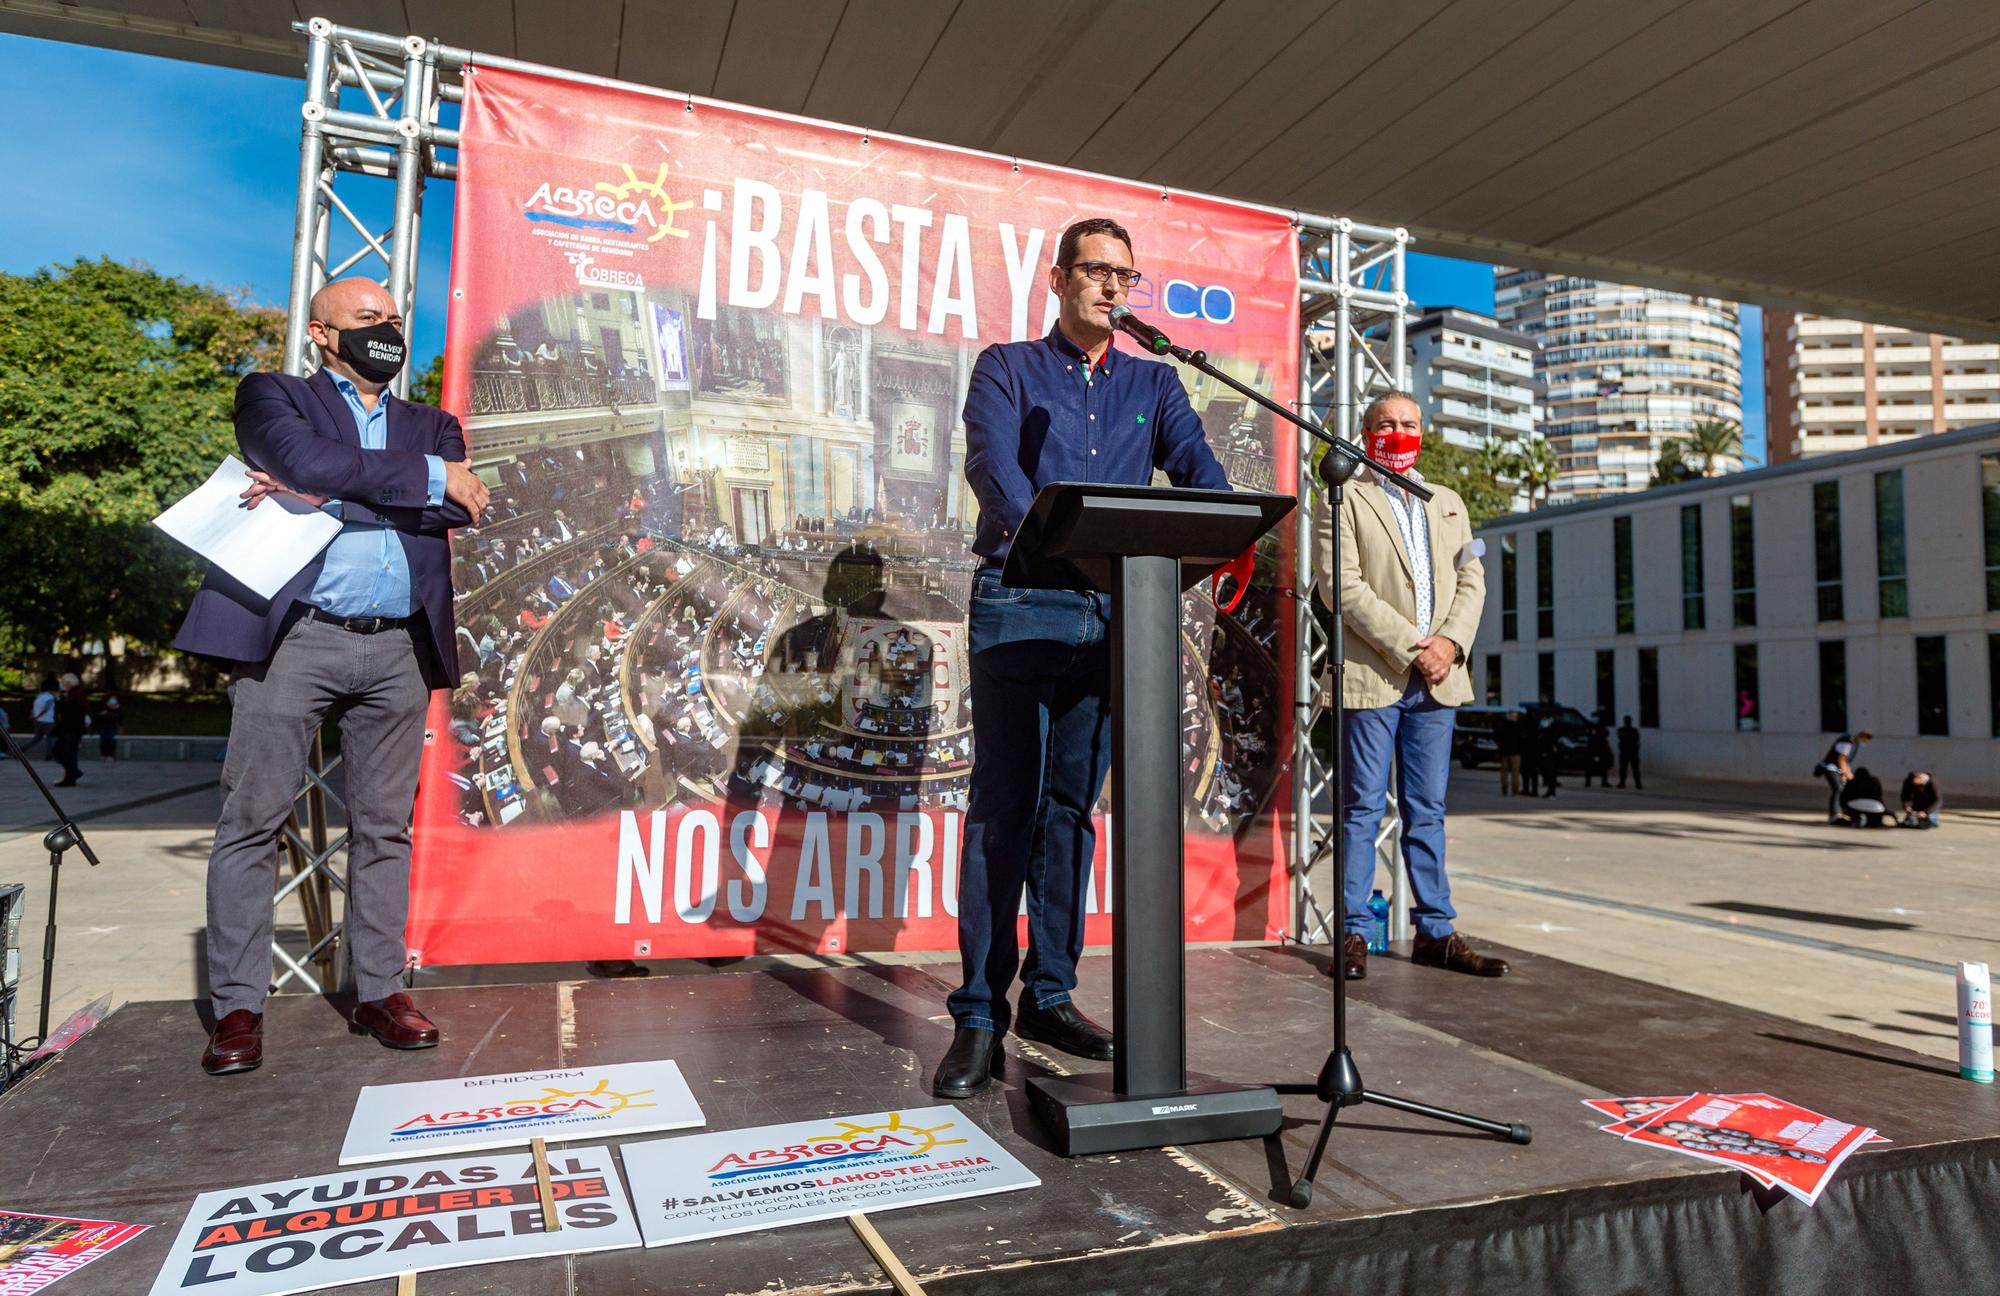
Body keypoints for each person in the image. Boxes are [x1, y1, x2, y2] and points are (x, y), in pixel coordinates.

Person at [933, 217, 1233, 1100]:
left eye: (1126, 276)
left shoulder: (1156, 383)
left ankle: (1050, 996)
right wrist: (1053, 539)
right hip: (1022, 606)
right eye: (1097, 271)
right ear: (1060, 277)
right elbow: (993, 469)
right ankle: (980, 1015)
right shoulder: (1007, 368)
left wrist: (1226, 529)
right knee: (1005, 810)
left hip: (1112, 619)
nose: (1112, 287)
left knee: (1070, 812)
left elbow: (1201, 477)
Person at [173, 276, 490, 1077]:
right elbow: (301, 458)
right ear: (322, 334)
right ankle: (240, 1007)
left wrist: (327, 491)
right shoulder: (273, 394)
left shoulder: (434, 424)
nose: (385, 327)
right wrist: (412, 481)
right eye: (365, 318)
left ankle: (379, 990)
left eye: (392, 317)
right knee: (253, 822)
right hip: (295, 642)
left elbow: (457, 507)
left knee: (385, 829)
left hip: (398, 648)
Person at [1319, 391, 1507, 983]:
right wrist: (1413, 647)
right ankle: (1351, 932)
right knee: (1360, 810)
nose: (1398, 432)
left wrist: (1449, 645)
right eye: (1386, 424)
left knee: (1428, 811)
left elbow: (1472, 579)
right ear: (1365, 430)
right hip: (1375, 677)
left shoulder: (1448, 502)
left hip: (1441, 681)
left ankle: (1437, 933)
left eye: (1409, 424)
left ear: (1422, 431)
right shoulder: (1344, 495)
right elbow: (1339, 588)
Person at [1814, 730, 1871, 825]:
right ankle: (1834, 814)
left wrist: (1849, 774)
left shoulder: (1854, 744)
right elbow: (1841, 759)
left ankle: (1842, 811)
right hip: (1830, 768)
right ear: (1862, 737)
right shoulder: (1847, 741)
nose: (1864, 744)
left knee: (1842, 789)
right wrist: (1846, 774)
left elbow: (1846, 762)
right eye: (1865, 741)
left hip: (1837, 769)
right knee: (1838, 789)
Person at [50, 673, 88, 787]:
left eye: (63, 683)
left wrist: (60, 703)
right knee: (68, 753)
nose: (62, 685)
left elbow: (72, 711)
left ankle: (73, 772)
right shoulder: (72, 694)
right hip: (70, 728)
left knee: (62, 751)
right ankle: (70, 776)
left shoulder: (76, 694)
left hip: (71, 729)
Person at [25, 677, 56, 759]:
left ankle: (23, 748)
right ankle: (50, 754)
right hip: (48, 721)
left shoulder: (39, 697)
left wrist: (33, 715)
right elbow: (46, 709)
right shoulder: (50, 698)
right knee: (50, 738)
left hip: (37, 721)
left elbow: (33, 708)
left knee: (37, 738)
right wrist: (38, 715)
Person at [1496, 711, 1522, 796]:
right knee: (1515, 773)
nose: (1516, 717)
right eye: (1516, 716)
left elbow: (1497, 736)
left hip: (1505, 752)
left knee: (1504, 772)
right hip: (1515, 752)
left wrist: (1501, 746)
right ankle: (1515, 791)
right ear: (1513, 717)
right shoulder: (1517, 726)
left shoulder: (1502, 726)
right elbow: (1521, 738)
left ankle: (1504, 790)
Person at [1536, 715, 1562, 798]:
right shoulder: (1542, 731)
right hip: (1546, 755)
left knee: (1551, 774)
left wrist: (1550, 752)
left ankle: (1551, 791)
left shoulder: (1550, 731)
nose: (1543, 722)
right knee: (1548, 774)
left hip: (1550, 756)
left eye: (1545, 720)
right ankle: (1550, 791)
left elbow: (1554, 744)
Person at [1582, 722, 1613, 788]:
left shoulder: (1602, 728)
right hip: (1594, 747)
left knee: (1603, 765)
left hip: (1600, 747)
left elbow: (1606, 734)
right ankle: (1588, 781)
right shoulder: (1591, 727)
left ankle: (1603, 781)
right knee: (1590, 765)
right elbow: (1587, 733)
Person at [94, 695, 124, 761]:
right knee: (103, 741)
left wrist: (116, 711)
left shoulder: (118, 709)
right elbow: (97, 718)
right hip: (103, 727)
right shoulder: (103, 709)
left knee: (112, 741)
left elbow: (120, 719)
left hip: (113, 727)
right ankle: (103, 755)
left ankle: (111, 755)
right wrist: (101, 715)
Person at [1616, 715, 1642, 789]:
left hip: (1632, 752)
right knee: (1623, 769)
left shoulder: (1634, 730)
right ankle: (1622, 782)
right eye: (1626, 720)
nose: (1627, 722)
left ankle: (1638, 783)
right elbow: (1621, 737)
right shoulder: (1621, 730)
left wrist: (1626, 736)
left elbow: (1635, 738)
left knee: (1635, 769)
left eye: (1628, 720)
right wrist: (1628, 736)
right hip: (1624, 752)